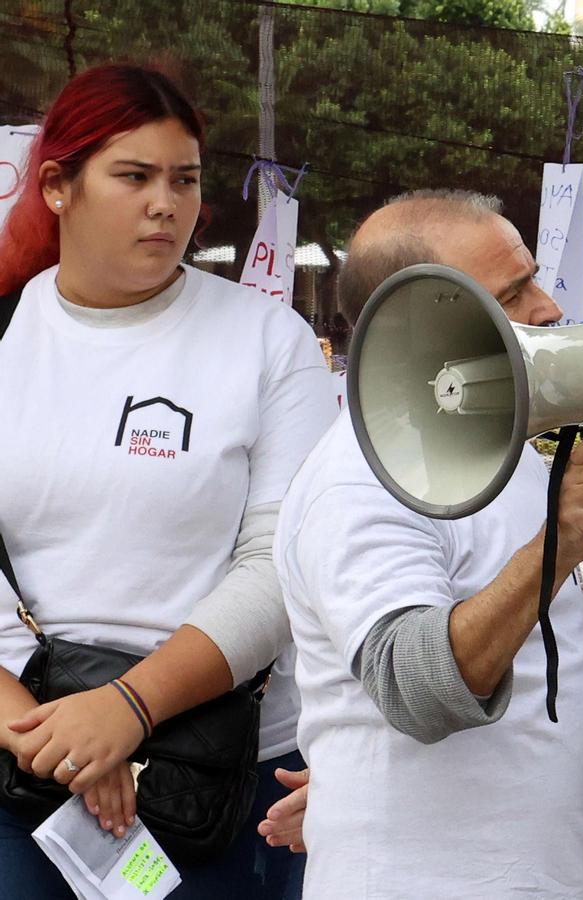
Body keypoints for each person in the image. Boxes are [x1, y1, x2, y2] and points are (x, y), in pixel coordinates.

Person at [0, 65, 333, 900]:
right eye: (134, 176)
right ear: (56, 187)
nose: (166, 204)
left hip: (220, 784)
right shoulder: (6, 339)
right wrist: (51, 734)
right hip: (21, 768)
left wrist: (130, 710)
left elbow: (282, 564)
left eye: (184, 179)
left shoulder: (268, 339)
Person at [273, 190, 583, 899]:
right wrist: (555, 546)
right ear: (416, 323)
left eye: (535, 277)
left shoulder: (486, 447)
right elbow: (416, 690)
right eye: (513, 292)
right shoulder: (358, 479)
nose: (548, 308)